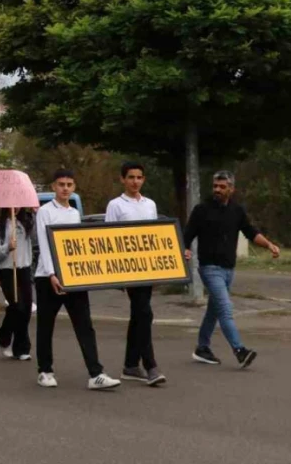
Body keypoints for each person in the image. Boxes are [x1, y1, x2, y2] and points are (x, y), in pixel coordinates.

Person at [184, 170, 280, 369]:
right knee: (226, 309)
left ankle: (202, 348)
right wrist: (184, 250)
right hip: (209, 268)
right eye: (215, 186)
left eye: (222, 187)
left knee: (214, 310)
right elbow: (187, 234)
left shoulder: (237, 210)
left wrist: (269, 245)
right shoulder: (202, 209)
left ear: (231, 189)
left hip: (229, 269)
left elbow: (251, 232)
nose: (217, 190)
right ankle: (239, 350)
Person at [35, 169, 120, 390]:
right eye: (61, 184)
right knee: (46, 325)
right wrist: (52, 273)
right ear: (54, 186)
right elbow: (45, 244)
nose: (65, 188)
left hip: (73, 277)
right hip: (47, 278)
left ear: (74, 187)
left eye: (69, 184)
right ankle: (45, 370)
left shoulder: (74, 213)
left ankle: (96, 374)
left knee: (84, 324)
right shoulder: (44, 211)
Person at [105, 161, 166, 386]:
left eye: (139, 177)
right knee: (144, 313)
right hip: (128, 268)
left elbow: (156, 236)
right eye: (131, 177)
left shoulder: (150, 204)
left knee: (139, 315)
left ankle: (131, 365)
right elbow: (108, 238)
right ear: (123, 179)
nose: (135, 181)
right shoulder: (115, 205)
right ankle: (150, 366)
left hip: (148, 267)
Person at [0, 207, 35, 361]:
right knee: (17, 306)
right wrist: (7, 248)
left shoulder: (27, 223)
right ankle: (8, 338)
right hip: (7, 270)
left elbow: (38, 239)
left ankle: (17, 345)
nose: (15, 208)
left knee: (26, 308)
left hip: (24, 268)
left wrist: (37, 213)